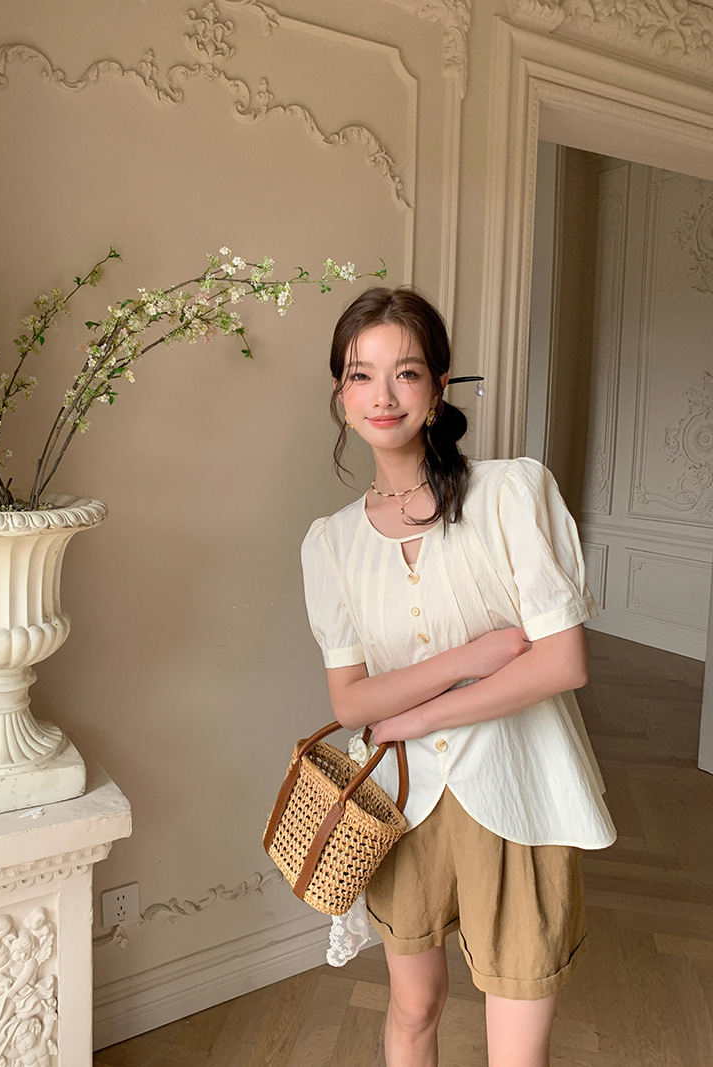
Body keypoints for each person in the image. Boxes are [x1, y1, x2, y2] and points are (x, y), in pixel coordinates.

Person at [300, 287, 616, 1067]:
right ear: (340, 394)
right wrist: (468, 661)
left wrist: (412, 714)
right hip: (402, 802)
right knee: (413, 1008)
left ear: (439, 387)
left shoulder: (509, 493)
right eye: (361, 374)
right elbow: (350, 699)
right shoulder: (331, 543)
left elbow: (562, 661)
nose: (383, 395)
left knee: (517, 1047)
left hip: (518, 791)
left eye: (406, 372)